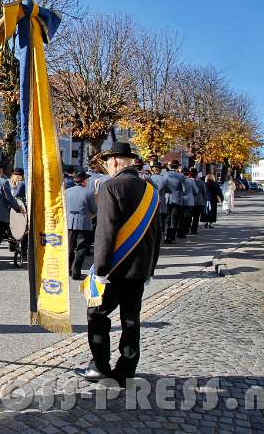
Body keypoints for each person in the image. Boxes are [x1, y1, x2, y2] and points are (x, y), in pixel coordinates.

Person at [75, 142, 161, 387]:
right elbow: (158, 232)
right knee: (131, 318)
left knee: (97, 313)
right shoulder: (150, 189)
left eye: (107, 163)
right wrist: (150, 268)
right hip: (140, 268)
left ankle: (99, 366)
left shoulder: (110, 186)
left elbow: (105, 231)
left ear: (113, 162)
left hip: (114, 269)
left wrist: (100, 270)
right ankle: (126, 369)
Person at [65, 171, 97, 280]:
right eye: (87, 179)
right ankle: (76, 272)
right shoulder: (89, 192)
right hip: (84, 223)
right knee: (81, 249)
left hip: (69, 222)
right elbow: (94, 210)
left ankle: (68, 270)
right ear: (84, 180)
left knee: (69, 248)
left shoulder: (67, 191)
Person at [164, 160, 186, 244]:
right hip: (176, 199)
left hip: (167, 198)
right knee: (174, 219)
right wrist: (179, 193)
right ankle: (172, 238)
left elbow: (164, 185)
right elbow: (184, 190)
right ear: (177, 167)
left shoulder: (166, 174)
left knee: (167, 218)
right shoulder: (181, 176)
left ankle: (166, 236)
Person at [149, 161, 168, 236]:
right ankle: (162, 232)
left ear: (153, 169)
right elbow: (168, 189)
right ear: (160, 169)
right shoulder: (164, 179)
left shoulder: (149, 178)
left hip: (151, 201)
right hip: (161, 201)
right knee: (162, 218)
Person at [189, 168, 207, 235]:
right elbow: (204, 192)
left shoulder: (187, 181)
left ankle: (187, 228)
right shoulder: (200, 182)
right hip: (199, 202)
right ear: (197, 174)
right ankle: (194, 230)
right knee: (196, 217)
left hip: (189, 201)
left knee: (189, 216)